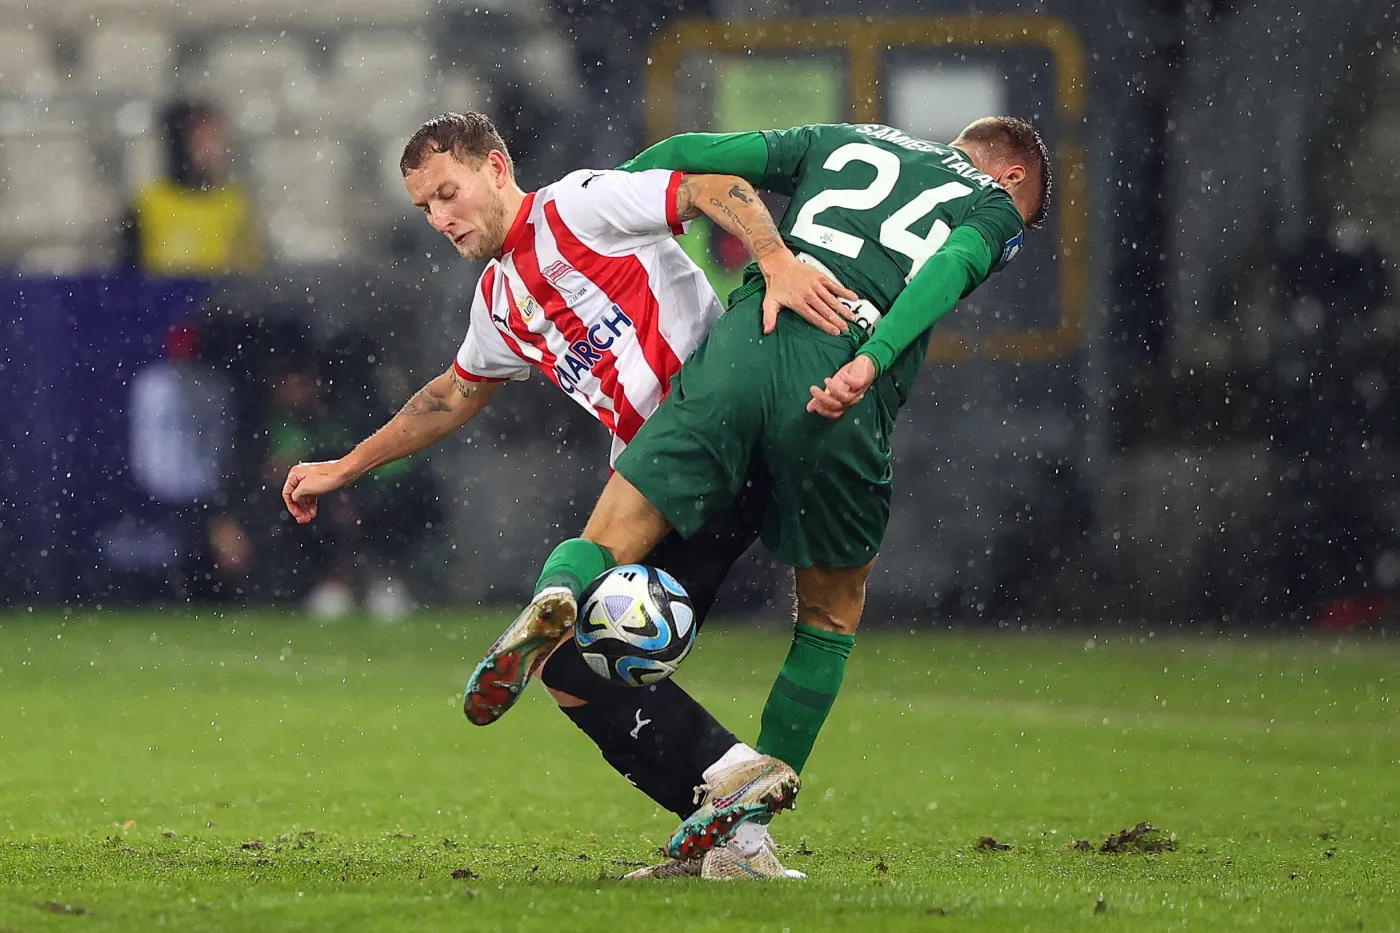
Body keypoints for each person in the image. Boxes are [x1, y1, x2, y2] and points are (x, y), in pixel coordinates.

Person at [464, 118, 1051, 879]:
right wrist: (870, 359)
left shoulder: (848, 137)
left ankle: (556, 593)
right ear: (1010, 177)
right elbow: (947, 270)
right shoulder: (996, 206)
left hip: (748, 344)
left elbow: (688, 154)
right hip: (841, 379)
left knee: (613, 534)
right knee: (830, 616)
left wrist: (608, 203)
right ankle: (755, 797)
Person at [280, 112, 857, 880]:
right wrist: (345, 465)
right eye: (425, 208)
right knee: (575, 667)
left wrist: (776, 261)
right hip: (671, 479)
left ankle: (724, 767)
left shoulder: (580, 204)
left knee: (588, 635)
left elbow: (714, 187)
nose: (440, 219)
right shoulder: (498, 296)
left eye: (448, 194)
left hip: (712, 431)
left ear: (496, 166)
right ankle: (733, 834)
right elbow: (452, 393)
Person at [120, 99, 261, 275]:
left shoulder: (236, 204)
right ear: (181, 141)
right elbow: (128, 275)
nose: (210, 149)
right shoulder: (147, 204)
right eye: (201, 139)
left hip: (218, 300)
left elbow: (250, 272)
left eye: (215, 139)